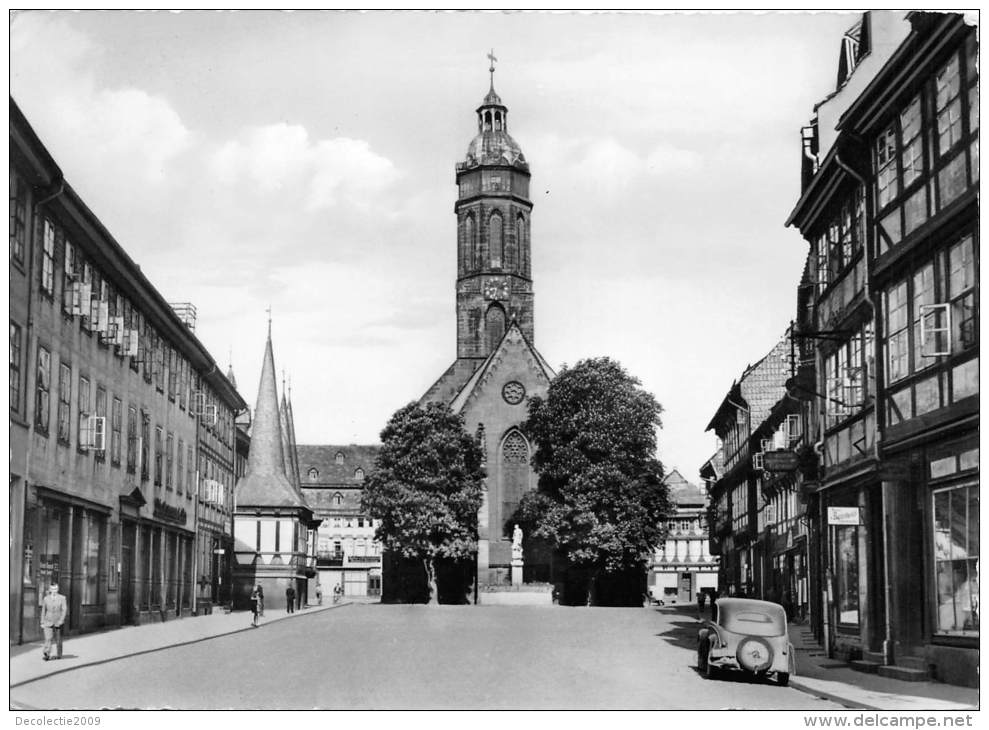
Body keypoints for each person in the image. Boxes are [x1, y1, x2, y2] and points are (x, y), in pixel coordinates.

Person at [40, 581, 67, 661]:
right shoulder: (46, 598)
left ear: (57, 589)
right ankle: (47, 654)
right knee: (48, 638)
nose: (54, 590)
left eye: (55, 589)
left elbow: (64, 610)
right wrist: (42, 622)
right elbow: (43, 610)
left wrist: (61, 620)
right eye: (52, 589)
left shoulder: (62, 598)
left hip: (58, 622)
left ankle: (59, 654)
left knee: (58, 639)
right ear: (50, 589)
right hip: (48, 621)